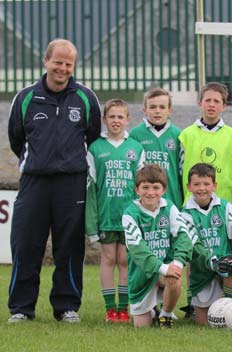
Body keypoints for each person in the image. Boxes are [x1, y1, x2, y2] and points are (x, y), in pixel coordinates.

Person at [7, 38, 101, 323]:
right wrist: (34, 161)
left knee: (70, 246)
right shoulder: (25, 97)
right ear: (45, 61)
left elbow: (93, 136)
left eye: (68, 64)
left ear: (74, 66)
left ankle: (66, 306)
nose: (62, 68)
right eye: (58, 62)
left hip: (72, 183)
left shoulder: (85, 98)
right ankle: (22, 308)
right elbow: (16, 138)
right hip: (34, 181)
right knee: (25, 244)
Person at [85, 99, 145, 323]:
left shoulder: (136, 148)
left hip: (129, 217)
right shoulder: (95, 148)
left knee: (125, 260)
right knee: (109, 258)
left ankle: (124, 308)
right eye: (112, 117)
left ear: (128, 119)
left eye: (121, 117)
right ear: (104, 119)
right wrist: (91, 224)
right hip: (106, 215)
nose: (116, 121)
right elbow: (91, 189)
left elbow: (142, 189)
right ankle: (111, 309)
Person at [122, 164, 192, 328]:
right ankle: (152, 310)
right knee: (142, 326)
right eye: (145, 187)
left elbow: (184, 237)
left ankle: (165, 316)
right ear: (137, 189)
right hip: (142, 274)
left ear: (164, 189)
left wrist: (177, 263)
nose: (150, 192)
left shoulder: (169, 207)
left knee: (174, 277)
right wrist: (162, 268)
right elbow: (138, 250)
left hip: (165, 271)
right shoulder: (130, 214)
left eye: (156, 187)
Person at [180, 163, 232, 325]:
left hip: (225, 266)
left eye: (206, 184)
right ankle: (196, 307)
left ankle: (231, 303)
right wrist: (213, 262)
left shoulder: (225, 207)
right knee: (204, 322)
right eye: (196, 184)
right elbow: (195, 245)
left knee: (231, 265)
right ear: (188, 186)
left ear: (214, 186)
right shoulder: (185, 213)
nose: (202, 188)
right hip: (202, 271)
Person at [179, 82, 232, 206]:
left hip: (224, 204)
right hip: (192, 204)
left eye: (216, 101)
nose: (211, 105)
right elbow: (180, 171)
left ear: (224, 106)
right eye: (207, 100)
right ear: (200, 103)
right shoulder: (186, 135)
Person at [130, 88, 183, 208]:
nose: (157, 111)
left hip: (171, 200)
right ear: (145, 110)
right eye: (152, 107)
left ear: (170, 110)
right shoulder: (135, 135)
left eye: (162, 107)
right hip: (144, 201)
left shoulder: (179, 135)